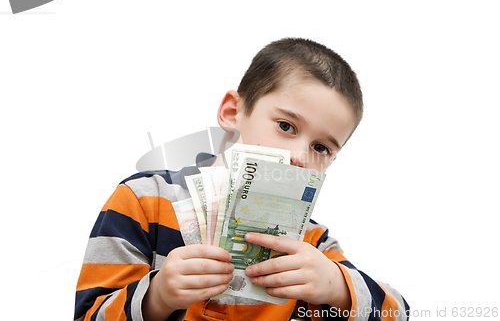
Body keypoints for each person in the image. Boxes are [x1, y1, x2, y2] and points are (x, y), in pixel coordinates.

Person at [75, 38, 409, 320]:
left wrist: (336, 287)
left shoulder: (313, 245)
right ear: (233, 111)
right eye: (286, 126)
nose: (298, 156)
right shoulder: (143, 200)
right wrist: (156, 297)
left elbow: (398, 312)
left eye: (320, 147)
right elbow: (89, 314)